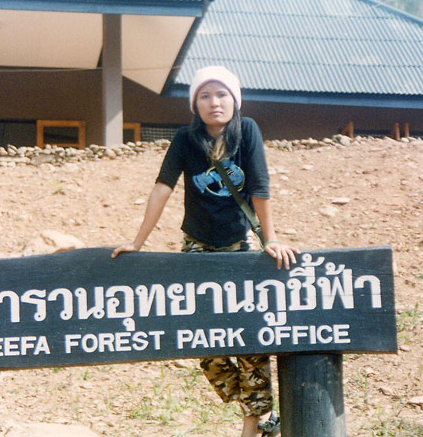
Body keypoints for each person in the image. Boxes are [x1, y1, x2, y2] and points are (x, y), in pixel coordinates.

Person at [111, 65, 299, 437]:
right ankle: (260, 415)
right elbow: (163, 186)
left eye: (222, 94)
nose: (215, 102)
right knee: (203, 340)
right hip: (196, 246)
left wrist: (270, 239)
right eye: (205, 95)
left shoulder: (247, 130)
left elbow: (259, 187)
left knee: (249, 338)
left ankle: (253, 424)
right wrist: (138, 241)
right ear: (195, 104)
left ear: (235, 100)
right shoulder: (185, 139)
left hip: (237, 247)